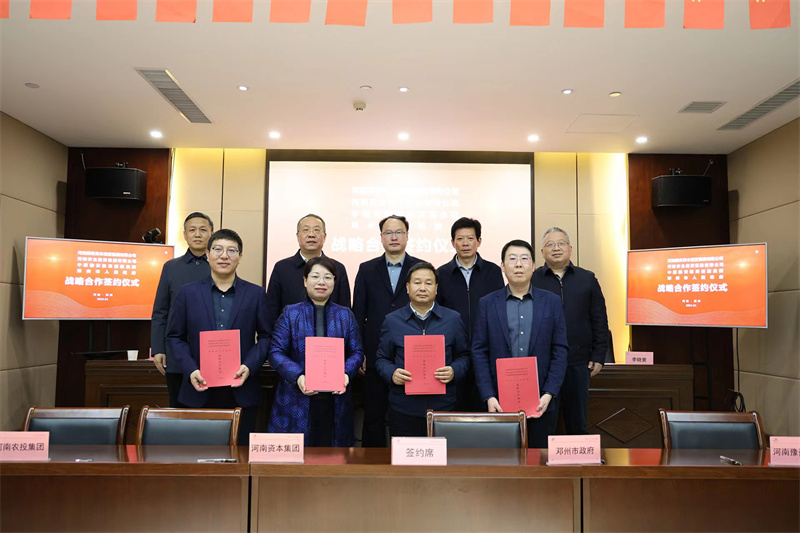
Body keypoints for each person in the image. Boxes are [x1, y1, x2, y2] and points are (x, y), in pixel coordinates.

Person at [167, 229, 270, 444]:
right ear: (207, 254)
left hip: (241, 389)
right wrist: (191, 369)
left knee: (240, 455)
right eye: (218, 249)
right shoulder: (187, 293)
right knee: (198, 455)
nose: (224, 256)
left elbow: (266, 337)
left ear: (240, 256)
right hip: (198, 388)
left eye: (232, 250)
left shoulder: (256, 294)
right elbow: (175, 337)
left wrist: (249, 366)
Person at [471, 239, 568, 448]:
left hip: (541, 400)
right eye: (512, 259)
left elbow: (560, 350)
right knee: (502, 460)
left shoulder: (551, 302)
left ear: (533, 266)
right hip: (499, 402)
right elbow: (479, 351)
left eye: (524, 259)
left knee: (539, 459)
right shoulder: (487, 303)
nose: (518, 264)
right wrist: (489, 396)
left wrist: (549, 393)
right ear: (502, 266)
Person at [268, 256, 364, 447]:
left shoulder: (345, 315)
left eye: (328, 277)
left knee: (333, 456)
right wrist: (298, 376)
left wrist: (345, 374)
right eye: (315, 277)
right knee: (296, 455)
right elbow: (276, 352)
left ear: (334, 282)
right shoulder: (290, 313)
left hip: (336, 399)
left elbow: (356, 352)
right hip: (296, 397)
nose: (321, 282)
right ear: (305, 281)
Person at [375, 262, 470, 437]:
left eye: (428, 283)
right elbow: (382, 359)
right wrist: (392, 373)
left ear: (436, 288)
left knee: (443, 455)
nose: (422, 288)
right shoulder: (392, 321)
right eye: (417, 282)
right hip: (403, 409)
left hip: (443, 408)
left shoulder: (453, 319)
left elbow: (464, 356)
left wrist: (454, 371)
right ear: (407, 287)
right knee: (407, 455)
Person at [531, 227, 609, 435]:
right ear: (542, 252)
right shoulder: (533, 280)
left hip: (578, 362)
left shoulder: (587, 278)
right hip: (543, 364)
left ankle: (578, 457)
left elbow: (599, 320)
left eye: (561, 243)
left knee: (577, 422)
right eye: (550, 244)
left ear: (570, 248)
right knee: (543, 423)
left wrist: (599, 355)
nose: (556, 248)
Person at [353, 215, 421, 447]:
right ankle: (371, 465)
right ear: (381, 237)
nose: (394, 237)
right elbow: (357, 314)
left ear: (407, 236)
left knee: (407, 418)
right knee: (373, 417)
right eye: (388, 233)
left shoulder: (421, 268)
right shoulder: (367, 269)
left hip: (411, 358)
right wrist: (359, 352)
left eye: (399, 232)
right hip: (374, 355)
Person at [436, 217, 504, 411]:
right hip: (453, 355)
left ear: (479, 241)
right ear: (452, 242)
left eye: (470, 238)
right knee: (454, 409)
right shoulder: (441, 274)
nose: (465, 243)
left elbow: (499, 310)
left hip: (486, 351)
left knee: (483, 408)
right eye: (460, 239)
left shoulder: (493, 271)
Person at [150, 212, 214, 407]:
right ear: (185, 234)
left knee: (212, 410)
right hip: (176, 352)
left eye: (203, 230)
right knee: (179, 409)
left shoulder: (220, 265)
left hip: (211, 352)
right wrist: (158, 348)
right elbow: (161, 311)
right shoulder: (171, 267)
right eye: (192, 230)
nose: (197, 234)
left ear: (212, 234)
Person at [265, 214, 350, 329]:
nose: (311, 234)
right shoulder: (282, 268)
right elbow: (271, 310)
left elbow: (345, 310)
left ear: (324, 236)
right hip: (289, 336)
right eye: (305, 230)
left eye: (316, 230)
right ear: (298, 236)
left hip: (330, 337)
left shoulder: (338, 268)